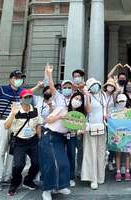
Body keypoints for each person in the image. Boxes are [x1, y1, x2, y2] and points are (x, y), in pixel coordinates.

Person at [0, 60, 24, 192]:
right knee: (0, 152)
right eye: (16, 78)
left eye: (20, 79)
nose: (19, 80)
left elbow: (30, 93)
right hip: (3, 122)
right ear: (11, 79)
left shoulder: (21, 92)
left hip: (16, 124)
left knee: (12, 152)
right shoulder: (2, 89)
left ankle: (7, 177)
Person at [40, 67, 75, 200]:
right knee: (51, 163)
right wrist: (49, 75)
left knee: (63, 162)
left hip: (61, 137)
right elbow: (49, 119)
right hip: (49, 135)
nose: (67, 88)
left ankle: (60, 185)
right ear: (62, 88)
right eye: (65, 86)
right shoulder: (59, 99)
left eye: (69, 87)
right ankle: (47, 190)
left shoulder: (74, 102)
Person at [4, 89, 41, 196]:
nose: (28, 99)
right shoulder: (16, 110)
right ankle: (14, 184)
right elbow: (6, 126)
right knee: (19, 165)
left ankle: (28, 180)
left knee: (37, 163)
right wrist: (12, 115)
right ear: (21, 99)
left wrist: (39, 137)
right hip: (19, 142)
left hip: (33, 140)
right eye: (26, 97)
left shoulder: (35, 110)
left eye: (30, 97)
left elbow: (38, 124)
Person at [82, 77, 107, 190]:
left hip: (102, 127)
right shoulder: (88, 96)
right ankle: (93, 179)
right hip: (91, 128)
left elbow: (105, 109)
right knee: (91, 153)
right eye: (92, 86)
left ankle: (100, 176)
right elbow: (87, 110)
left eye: (96, 84)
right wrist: (87, 95)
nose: (95, 87)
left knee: (101, 153)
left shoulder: (103, 95)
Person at [111, 93, 131, 182]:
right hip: (117, 135)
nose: (121, 103)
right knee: (118, 154)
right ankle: (118, 172)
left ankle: (127, 171)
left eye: (123, 101)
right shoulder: (113, 112)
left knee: (128, 153)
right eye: (120, 101)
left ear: (126, 101)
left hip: (128, 134)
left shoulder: (130, 111)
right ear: (117, 101)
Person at [66, 90, 86, 187]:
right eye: (76, 98)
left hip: (78, 136)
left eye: (80, 100)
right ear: (71, 99)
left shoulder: (81, 112)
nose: (77, 101)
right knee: (71, 155)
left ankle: (80, 171)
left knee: (81, 153)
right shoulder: (66, 110)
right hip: (68, 137)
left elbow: (83, 124)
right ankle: (70, 177)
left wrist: (80, 131)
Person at [104, 77, 119, 171]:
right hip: (102, 120)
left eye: (112, 86)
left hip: (112, 122)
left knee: (112, 142)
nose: (110, 87)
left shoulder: (114, 96)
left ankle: (110, 162)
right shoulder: (102, 94)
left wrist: (115, 83)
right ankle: (103, 161)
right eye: (109, 85)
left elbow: (119, 90)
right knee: (103, 142)